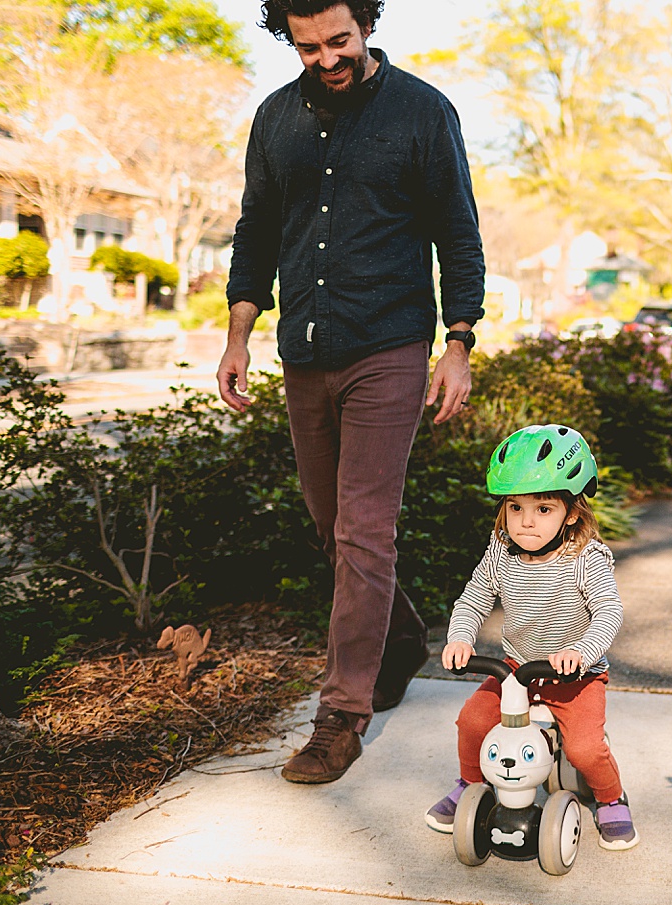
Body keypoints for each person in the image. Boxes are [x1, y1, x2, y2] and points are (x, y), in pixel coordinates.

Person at [217, 0, 485, 785]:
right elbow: (256, 230)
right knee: (331, 524)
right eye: (308, 47)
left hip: (390, 346)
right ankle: (402, 637)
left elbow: (456, 232)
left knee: (365, 529)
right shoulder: (274, 120)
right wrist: (237, 334)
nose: (327, 58)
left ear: (365, 25)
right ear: (289, 40)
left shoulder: (423, 112)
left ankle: (341, 717)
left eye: (338, 41)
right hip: (303, 346)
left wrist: (458, 343)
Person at [426, 424, 639, 851]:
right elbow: (472, 599)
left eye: (543, 509)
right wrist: (460, 638)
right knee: (472, 722)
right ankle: (470, 785)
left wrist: (581, 650)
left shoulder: (585, 558)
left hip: (575, 676)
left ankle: (611, 798)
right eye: (515, 507)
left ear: (572, 513)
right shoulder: (500, 552)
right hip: (516, 670)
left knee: (583, 749)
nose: (526, 521)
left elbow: (609, 611)